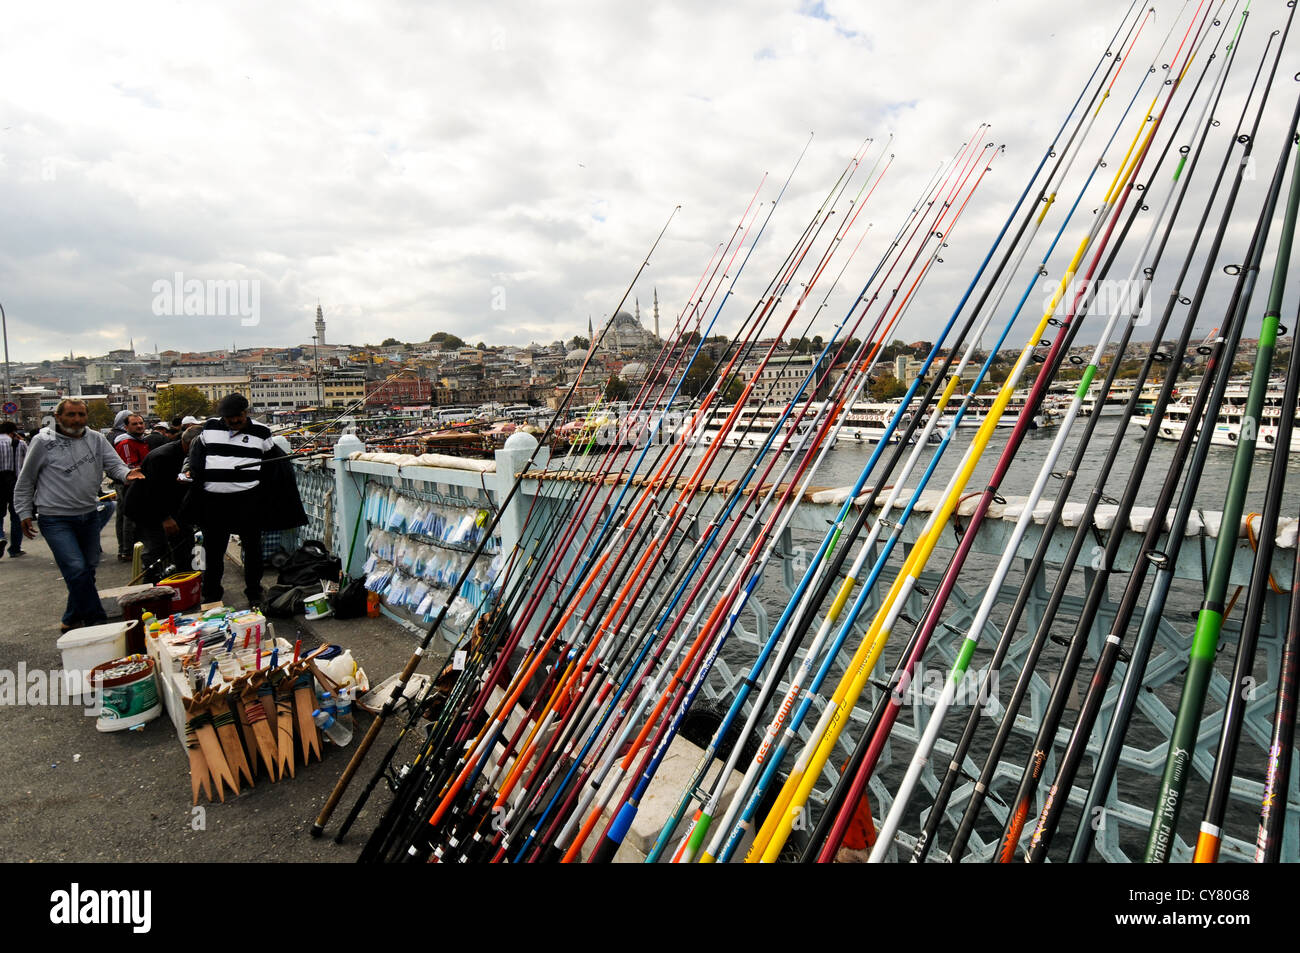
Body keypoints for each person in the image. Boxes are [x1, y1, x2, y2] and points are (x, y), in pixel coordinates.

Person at [15, 399, 145, 632]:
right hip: (55, 517)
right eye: (71, 415)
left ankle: (71, 617)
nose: (76, 420)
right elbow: (26, 480)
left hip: (88, 514)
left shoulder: (95, 439)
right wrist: (23, 511)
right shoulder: (43, 441)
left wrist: (127, 474)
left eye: (81, 415)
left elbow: (114, 466)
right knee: (76, 567)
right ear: (58, 417)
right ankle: (97, 620)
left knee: (88, 568)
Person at [185, 393, 275, 607]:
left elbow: (272, 466)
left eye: (238, 417)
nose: (234, 421)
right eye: (229, 418)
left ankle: (254, 592)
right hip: (214, 502)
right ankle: (212, 594)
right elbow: (197, 457)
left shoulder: (262, 433)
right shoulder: (210, 428)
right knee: (213, 550)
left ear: (246, 412)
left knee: (253, 549)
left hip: (247, 500)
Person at [128, 425, 201, 582]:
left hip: (171, 505)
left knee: (184, 541)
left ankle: (185, 581)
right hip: (146, 507)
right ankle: (150, 586)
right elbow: (154, 492)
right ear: (190, 444)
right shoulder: (162, 457)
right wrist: (165, 518)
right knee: (156, 546)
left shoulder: (191, 456)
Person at [0, 422, 28, 557]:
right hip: (15, 483)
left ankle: (0, 536)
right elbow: (28, 463)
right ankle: (15, 548)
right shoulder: (20, 443)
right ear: (13, 431)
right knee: (16, 516)